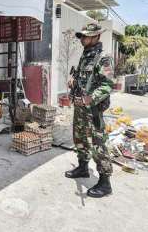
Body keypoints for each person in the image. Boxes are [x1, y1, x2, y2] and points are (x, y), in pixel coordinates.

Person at [65, 23, 114, 198]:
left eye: (86, 36)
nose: (83, 39)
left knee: (97, 144)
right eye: (82, 36)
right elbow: (83, 77)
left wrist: (89, 98)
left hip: (92, 109)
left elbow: (107, 85)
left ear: (96, 37)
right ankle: (83, 167)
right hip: (79, 106)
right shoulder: (85, 56)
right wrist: (73, 80)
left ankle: (105, 182)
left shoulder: (103, 58)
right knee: (79, 138)